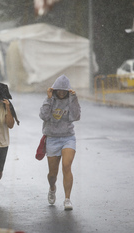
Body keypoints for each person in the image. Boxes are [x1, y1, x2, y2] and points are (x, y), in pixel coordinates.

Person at [39, 74, 81, 210]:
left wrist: (74, 99)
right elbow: (43, 116)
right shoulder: (50, 99)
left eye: (65, 90)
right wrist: (49, 99)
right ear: (55, 89)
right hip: (52, 138)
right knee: (52, 174)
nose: (62, 93)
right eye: (59, 90)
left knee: (67, 166)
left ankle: (67, 199)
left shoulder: (71, 99)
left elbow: (75, 116)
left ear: (68, 90)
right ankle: (52, 188)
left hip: (68, 137)